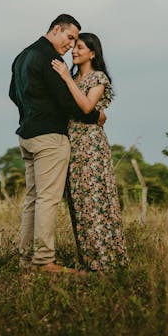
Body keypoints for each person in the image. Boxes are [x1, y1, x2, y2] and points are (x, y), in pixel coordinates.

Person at [9, 14, 106, 273]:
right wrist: (96, 115)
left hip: (27, 135)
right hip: (49, 137)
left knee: (32, 199)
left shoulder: (22, 56)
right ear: (55, 29)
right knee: (48, 200)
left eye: (75, 40)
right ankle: (43, 261)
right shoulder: (50, 58)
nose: (71, 45)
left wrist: (32, 109)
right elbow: (67, 102)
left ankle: (26, 259)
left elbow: (12, 93)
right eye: (69, 37)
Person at [51, 32, 128, 272]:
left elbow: (86, 107)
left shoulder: (98, 77)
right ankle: (90, 260)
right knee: (80, 205)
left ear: (92, 53)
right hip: (72, 145)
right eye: (73, 47)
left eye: (80, 47)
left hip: (91, 147)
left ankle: (106, 262)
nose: (74, 51)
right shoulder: (73, 77)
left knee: (97, 202)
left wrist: (66, 78)